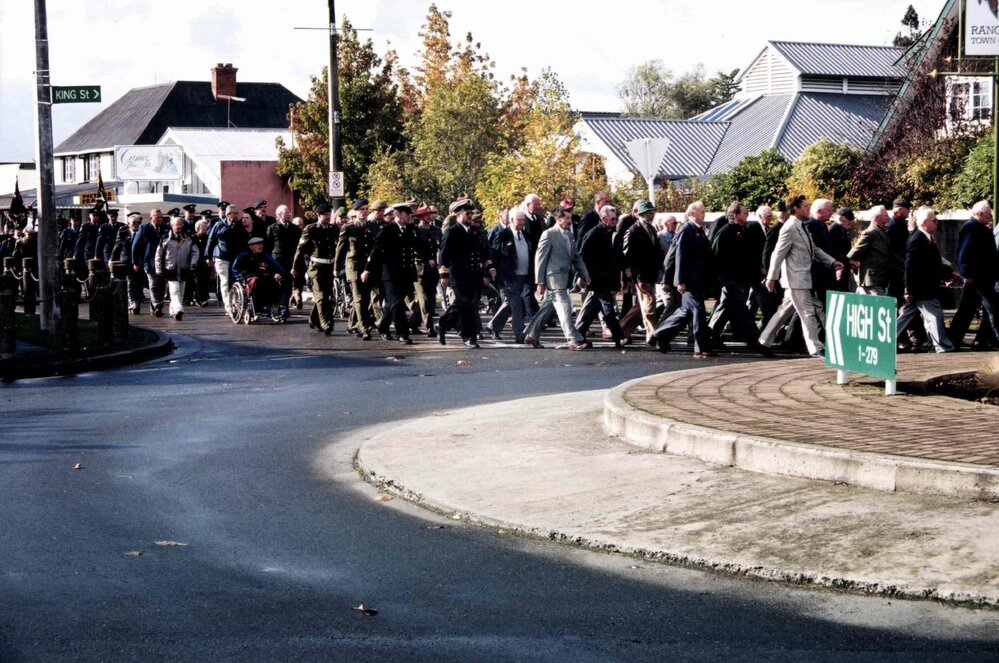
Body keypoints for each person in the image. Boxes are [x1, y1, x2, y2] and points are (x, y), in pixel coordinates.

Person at [759, 195, 842, 357]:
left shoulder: (801, 226)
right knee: (808, 312)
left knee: (783, 312)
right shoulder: (789, 227)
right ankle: (816, 347)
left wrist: (831, 262)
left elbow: (815, 249)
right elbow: (777, 253)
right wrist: (771, 277)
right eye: (804, 206)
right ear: (796, 209)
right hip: (796, 279)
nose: (807, 208)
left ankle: (763, 341)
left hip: (801, 278)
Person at [652, 201, 715, 357]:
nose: (704, 214)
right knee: (699, 311)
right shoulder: (686, 230)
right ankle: (701, 348)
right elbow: (679, 256)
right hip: (689, 281)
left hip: (697, 280)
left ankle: (659, 334)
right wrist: (680, 281)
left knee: (685, 313)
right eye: (702, 211)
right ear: (692, 213)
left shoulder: (697, 230)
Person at [708, 201, 768, 354]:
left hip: (740, 278)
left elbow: (747, 255)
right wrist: (723, 279)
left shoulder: (743, 230)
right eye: (744, 213)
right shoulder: (725, 232)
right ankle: (756, 341)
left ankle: (709, 336)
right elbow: (716, 257)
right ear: (734, 216)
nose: (747, 215)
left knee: (725, 308)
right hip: (730, 279)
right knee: (742, 310)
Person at [528, 207, 590, 351]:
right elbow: (540, 258)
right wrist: (540, 282)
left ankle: (531, 334)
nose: (570, 221)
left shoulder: (568, 235)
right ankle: (572, 339)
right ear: (558, 219)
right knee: (565, 307)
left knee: (548, 308)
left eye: (570, 218)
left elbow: (575, 256)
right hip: (553, 278)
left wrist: (584, 273)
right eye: (567, 218)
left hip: (564, 277)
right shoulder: (549, 234)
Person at [896, 206, 955, 353]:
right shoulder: (917, 239)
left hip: (921, 288)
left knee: (906, 316)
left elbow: (932, 263)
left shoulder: (927, 237)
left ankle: (885, 340)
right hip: (922, 288)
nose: (937, 223)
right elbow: (910, 267)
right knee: (935, 315)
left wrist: (949, 274)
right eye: (934, 221)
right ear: (924, 223)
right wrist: (908, 289)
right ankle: (943, 346)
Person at [362, 203, 422, 344]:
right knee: (396, 303)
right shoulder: (387, 230)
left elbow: (421, 246)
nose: (410, 217)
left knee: (394, 303)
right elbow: (376, 250)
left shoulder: (411, 230)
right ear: (398, 215)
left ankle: (383, 326)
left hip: (405, 272)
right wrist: (367, 269)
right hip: (389, 273)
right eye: (407, 214)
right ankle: (403, 333)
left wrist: (430, 258)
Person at [438, 198, 492, 348]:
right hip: (459, 276)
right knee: (466, 305)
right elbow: (444, 254)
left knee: (466, 306)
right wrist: (444, 274)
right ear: (458, 215)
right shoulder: (452, 231)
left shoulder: (474, 232)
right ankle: (469, 337)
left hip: (473, 275)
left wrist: (489, 268)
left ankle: (443, 324)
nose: (470, 215)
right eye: (467, 213)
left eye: (470, 213)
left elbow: (482, 252)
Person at [948, 200, 999, 350]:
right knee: (994, 309)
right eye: (989, 214)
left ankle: (954, 339)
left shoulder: (978, 227)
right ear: (981, 213)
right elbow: (963, 254)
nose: (991, 217)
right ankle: (988, 339)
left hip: (982, 278)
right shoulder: (971, 228)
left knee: (967, 310)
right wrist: (966, 274)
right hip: (978, 278)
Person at [575, 204, 624, 348]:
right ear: (604, 219)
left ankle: (578, 334)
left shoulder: (610, 232)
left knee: (591, 309)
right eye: (613, 219)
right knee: (608, 308)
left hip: (605, 277)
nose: (615, 221)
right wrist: (583, 275)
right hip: (597, 277)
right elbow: (582, 255)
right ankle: (618, 337)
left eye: (616, 219)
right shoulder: (594, 233)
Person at [293, 202, 340, 334]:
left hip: (329, 266)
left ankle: (314, 319)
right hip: (316, 267)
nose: (328, 217)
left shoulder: (333, 229)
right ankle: (327, 323)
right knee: (321, 297)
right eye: (325, 215)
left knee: (328, 295)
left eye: (329, 215)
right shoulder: (311, 229)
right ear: (318, 215)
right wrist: (295, 267)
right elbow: (300, 249)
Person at [621, 200, 663, 346]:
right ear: (642, 214)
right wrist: (629, 272)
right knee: (649, 304)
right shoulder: (633, 231)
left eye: (652, 212)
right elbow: (626, 255)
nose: (652, 215)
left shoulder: (651, 229)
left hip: (651, 272)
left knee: (644, 305)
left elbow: (656, 251)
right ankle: (652, 334)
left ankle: (622, 330)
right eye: (650, 212)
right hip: (641, 274)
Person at [335, 199, 378, 340]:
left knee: (365, 298)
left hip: (367, 266)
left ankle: (352, 324)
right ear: (356, 212)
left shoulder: (372, 226)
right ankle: (364, 328)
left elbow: (374, 247)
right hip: (353, 265)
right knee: (359, 298)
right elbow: (340, 249)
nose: (364, 211)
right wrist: (336, 268)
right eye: (361, 209)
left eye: (366, 209)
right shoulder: (348, 227)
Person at [488, 209, 532, 343]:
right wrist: (492, 271)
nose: (522, 223)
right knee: (517, 305)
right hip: (509, 277)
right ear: (511, 220)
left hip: (523, 275)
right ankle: (520, 334)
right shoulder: (503, 235)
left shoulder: (525, 234)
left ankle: (493, 325)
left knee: (509, 303)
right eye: (519, 220)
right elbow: (494, 255)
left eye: (523, 220)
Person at [205, 205, 250, 312]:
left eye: (236, 214)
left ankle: (235, 302)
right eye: (232, 214)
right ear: (227, 214)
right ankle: (228, 306)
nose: (235, 216)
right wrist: (208, 257)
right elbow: (211, 240)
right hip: (221, 257)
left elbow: (244, 241)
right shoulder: (219, 225)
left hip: (235, 258)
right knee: (225, 281)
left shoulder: (240, 226)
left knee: (235, 281)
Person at [155, 217, 200, 321]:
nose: (179, 226)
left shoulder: (188, 238)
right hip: (171, 268)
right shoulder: (165, 238)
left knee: (181, 291)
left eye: (181, 224)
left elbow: (195, 252)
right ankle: (179, 309)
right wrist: (159, 268)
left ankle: (174, 311)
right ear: (172, 226)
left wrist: (193, 263)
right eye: (177, 224)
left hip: (184, 268)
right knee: (174, 291)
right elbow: (159, 254)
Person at [232, 236, 287, 320]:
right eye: (257, 244)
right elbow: (234, 269)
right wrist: (240, 277)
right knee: (256, 281)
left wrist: (279, 273)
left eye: (261, 244)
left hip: (264, 277)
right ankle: (259, 307)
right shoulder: (243, 256)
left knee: (277, 284)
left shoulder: (266, 256)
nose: (260, 246)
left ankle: (280, 307)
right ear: (251, 246)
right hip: (248, 278)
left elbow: (277, 267)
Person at [847, 205, 897, 296]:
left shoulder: (882, 231)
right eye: (886, 215)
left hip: (882, 279)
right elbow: (853, 253)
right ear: (877, 217)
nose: (888, 217)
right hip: (872, 281)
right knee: (879, 306)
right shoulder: (870, 233)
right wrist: (853, 263)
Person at [266, 204, 301, 318]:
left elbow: (299, 246)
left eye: (289, 212)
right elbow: (268, 246)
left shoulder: (295, 229)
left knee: (288, 283)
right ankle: (279, 306)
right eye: (286, 213)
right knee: (279, 283)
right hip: (277, 259)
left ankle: (284, 306)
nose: (288, 214)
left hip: (290, 260)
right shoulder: (272, 228)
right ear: (279, 215)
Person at [411, 206, 441, 336]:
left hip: (432, 269)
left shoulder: (436, 230)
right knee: (423, 298)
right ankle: (429, 326)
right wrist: (426, 258)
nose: (430, 217)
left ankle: (413, 322)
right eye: (426, 215)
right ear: (421, 217)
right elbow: (415, 248)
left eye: (431, 214)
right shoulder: (415, 231)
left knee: (431, 298)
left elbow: (440, 248)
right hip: (419, 268)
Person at [131, 208, 168, 316]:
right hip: (149, 261)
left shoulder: (166, 228)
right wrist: (135, 262)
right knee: (153, 284)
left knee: (161, 285)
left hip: (163, 262)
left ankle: (156, 305)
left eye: (161, 217)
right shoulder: (144, 228)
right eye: (157, 217)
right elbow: (135, 246)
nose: (160, 219)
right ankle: (157, 306)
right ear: (151, 218)